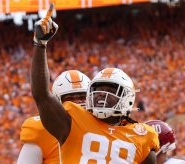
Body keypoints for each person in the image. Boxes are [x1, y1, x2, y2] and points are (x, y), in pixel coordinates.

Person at [30, 3, 159, 163]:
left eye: (110, 90)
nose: (101, 94)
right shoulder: (74, 121)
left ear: (127, 98)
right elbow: (41, 95)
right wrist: (40, 45)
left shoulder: (143, 136)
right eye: (97, 89)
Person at [17, 70, 90, 164]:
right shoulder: (42, 130)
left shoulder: (101, 125)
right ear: (56, 102)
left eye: (82, 97)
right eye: (70, 98)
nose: (77, 103)